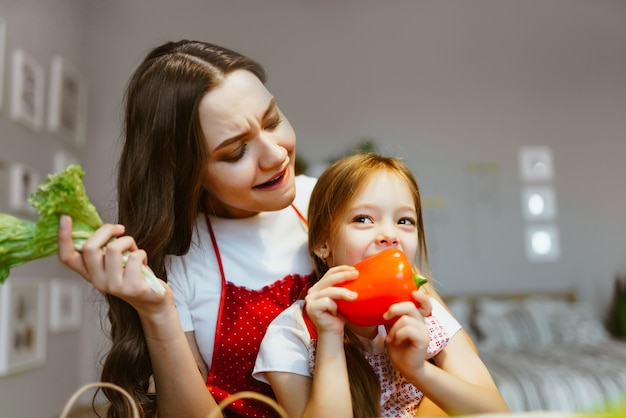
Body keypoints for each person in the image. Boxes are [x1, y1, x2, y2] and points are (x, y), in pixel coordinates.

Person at [57, 40, 474, 418]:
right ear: (187, 174)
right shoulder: (177, 262)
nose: (275, 155)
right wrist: (156, 311)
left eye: (272, 121)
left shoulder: (343, 207)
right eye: (236, 151)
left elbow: (446, 356)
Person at [253, 153, 510, 417]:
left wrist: (418, 371)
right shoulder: (291, 334)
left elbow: (497, 412)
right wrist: (329, 338)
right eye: (363, 218)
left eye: (404, 221)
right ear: (322, 244)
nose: (390, 235)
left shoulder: (427, 314)